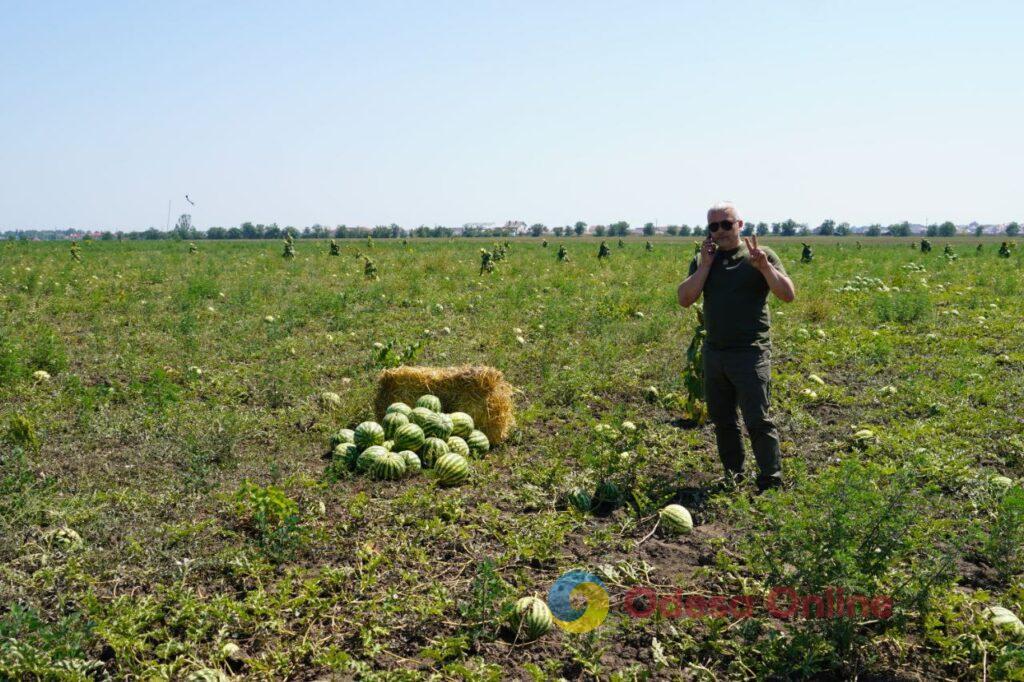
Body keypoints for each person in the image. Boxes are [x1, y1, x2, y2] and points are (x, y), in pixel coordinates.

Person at [677, 202, 796, 492]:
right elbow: (685, 298)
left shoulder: (760, 255)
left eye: (726, 224)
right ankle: (734, 476)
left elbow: (787, 294)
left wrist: (765, 268)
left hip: (750, 353)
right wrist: (704, 266)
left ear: (739, 225)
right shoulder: (704, 259)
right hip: (715, 353)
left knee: (758, 419)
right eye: (713, 226)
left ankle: (771, 480)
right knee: (723, 421)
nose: (720, 231)